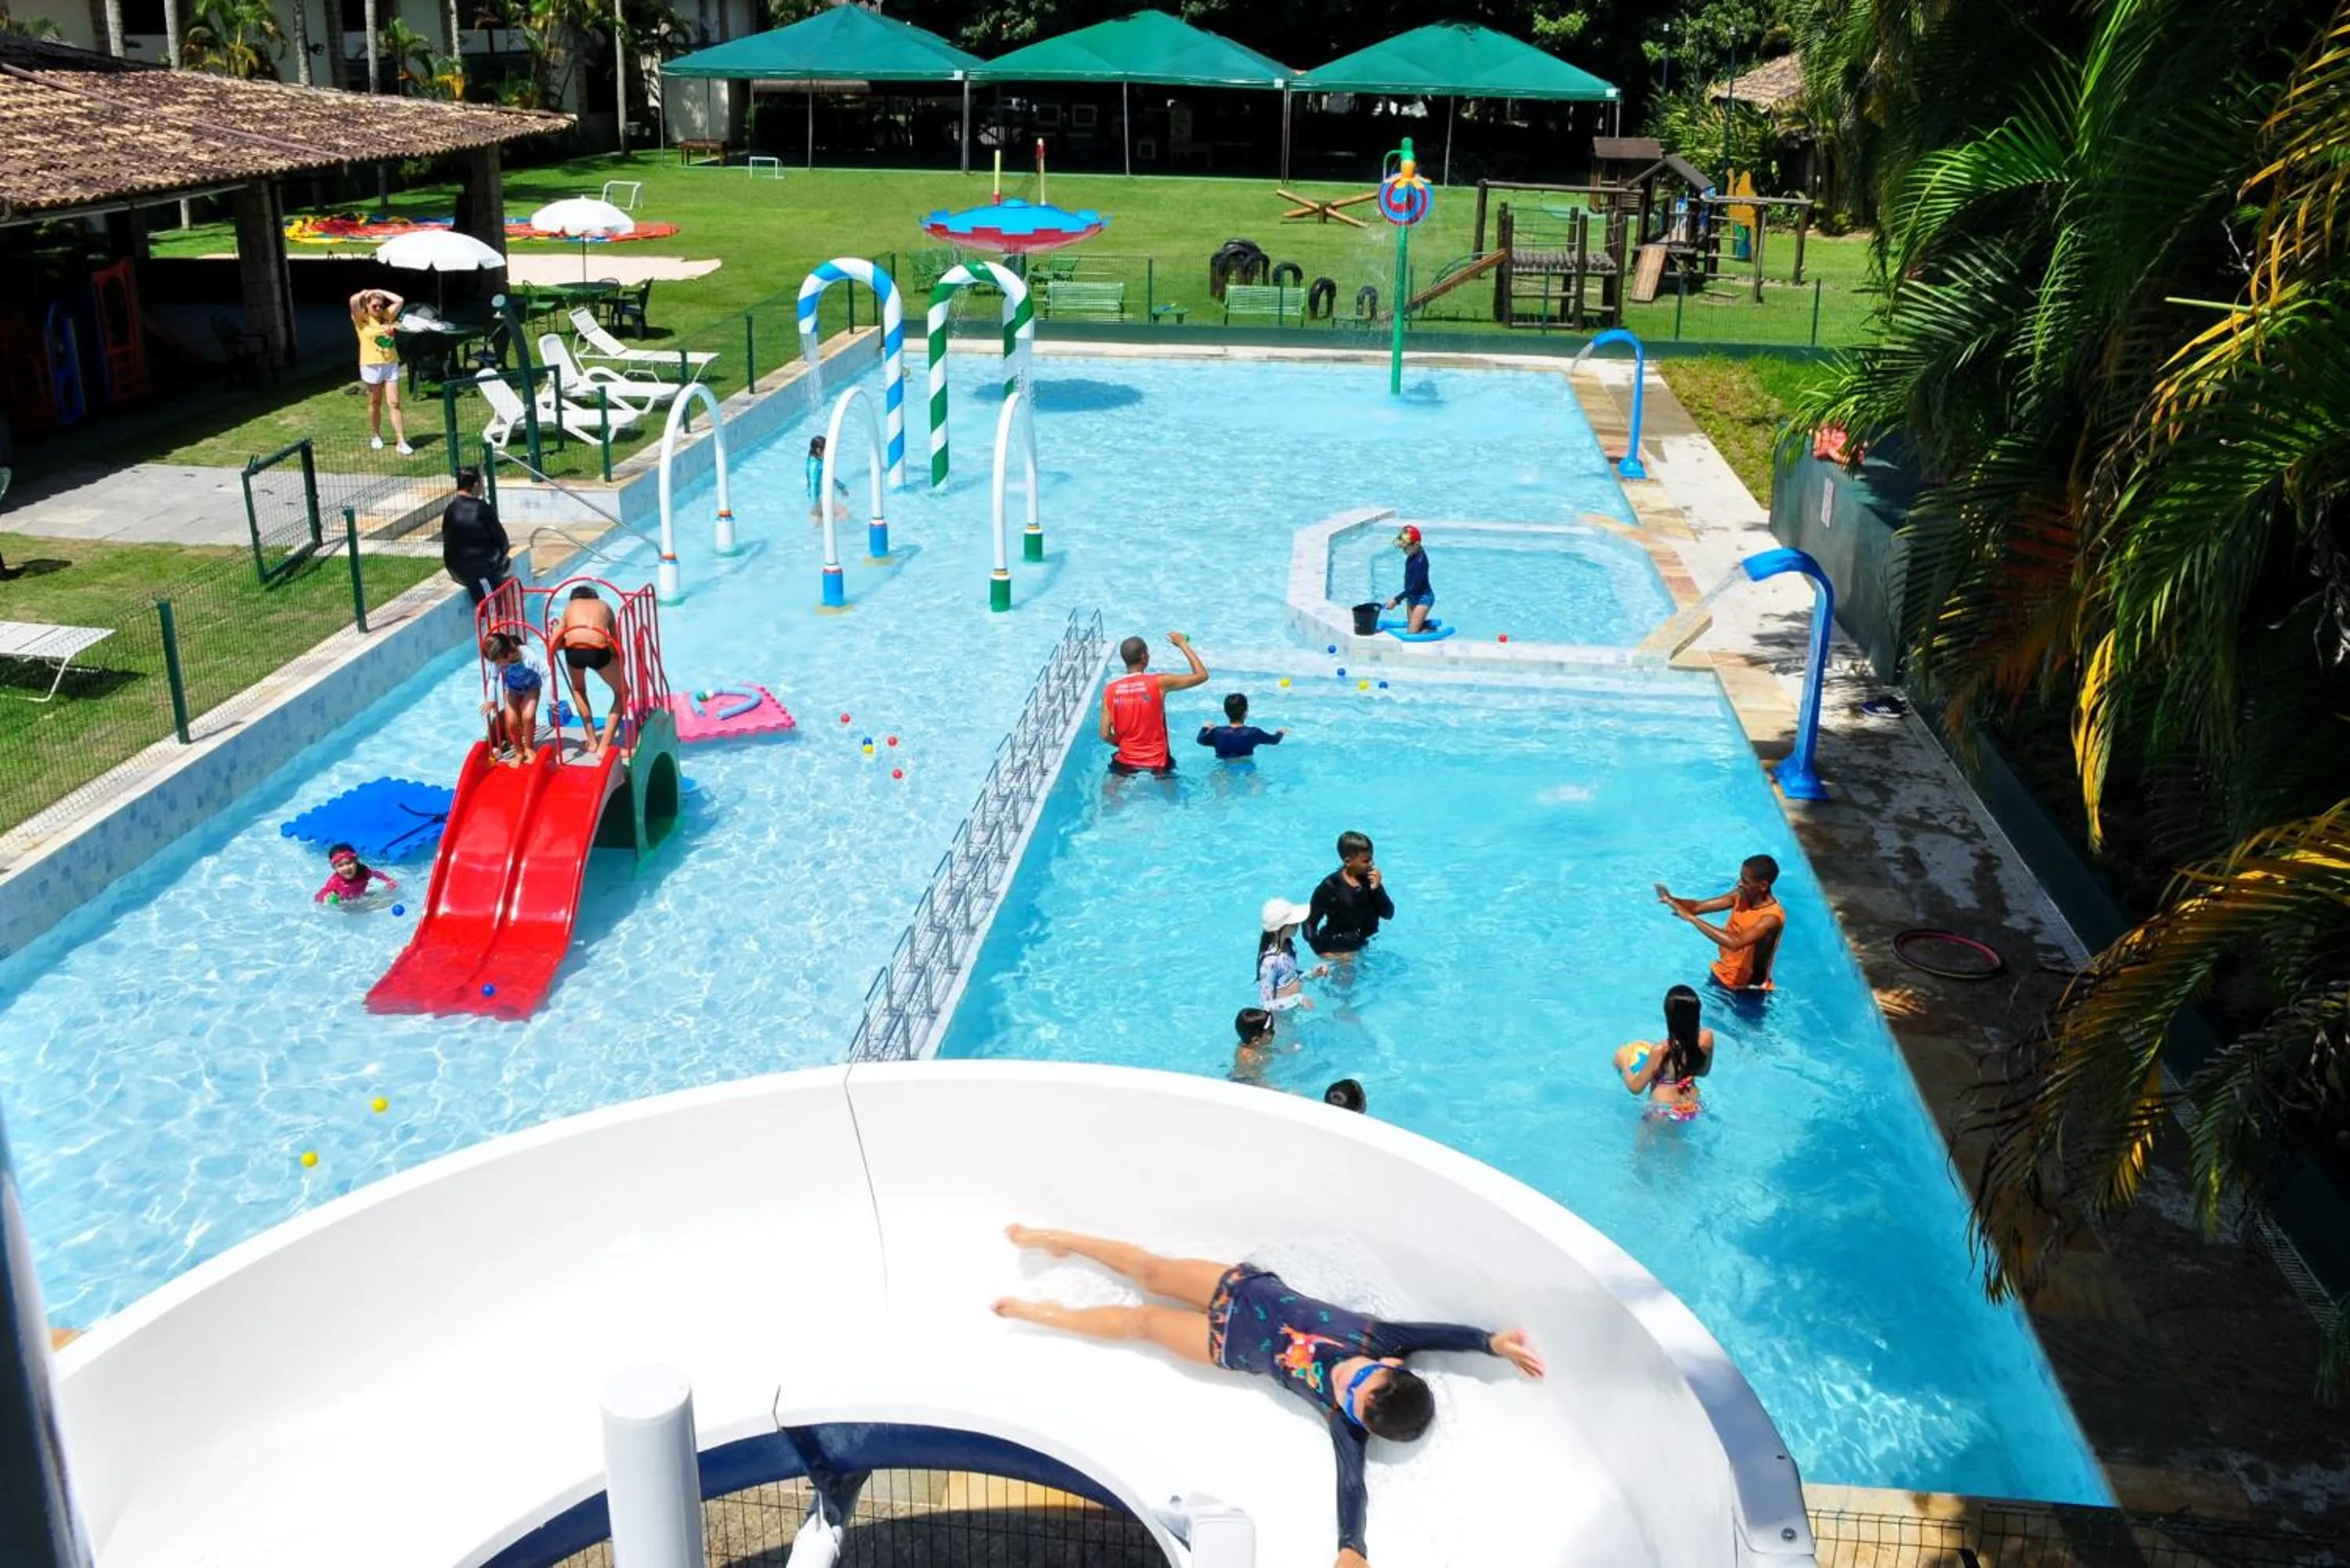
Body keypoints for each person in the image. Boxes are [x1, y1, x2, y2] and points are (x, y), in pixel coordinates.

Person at [993, 1225, 1546, 1568]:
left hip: (1224, 1345)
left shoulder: (1345, 1422)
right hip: (1242, 1288)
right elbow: (1443, 1333)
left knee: (1141, 1321)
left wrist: (1353, 1546)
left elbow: (1352, 1486)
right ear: (1389, 1364)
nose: (1341, 1387)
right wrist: (1493, 1343)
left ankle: (1048, 1315)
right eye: (1358, 1380)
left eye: (1350, 1400)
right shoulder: (1384, 1337)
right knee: (1152, 1270)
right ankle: (1064, 1240)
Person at [1658, 854, 1785, 993]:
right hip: (1722, 973)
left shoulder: (1770, 918)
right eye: (1740, 877)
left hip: (1748, 990)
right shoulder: (1741, 895)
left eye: (1745, 881)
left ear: (1763, 885)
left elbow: (1735, 943)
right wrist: (1672, 900)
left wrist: (1692, 919)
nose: (1739, 883)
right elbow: (1698, 907)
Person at [1101, 631, 1209, 778]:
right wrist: (1182, 643)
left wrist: (1128, 747)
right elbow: (1202, 675)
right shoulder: (1158, 683)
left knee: (1111, 796)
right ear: (1144, 657)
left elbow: (1105, 734)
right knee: (1172, 797)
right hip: (1158, 762)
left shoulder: (1110, 690)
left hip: (1124, 760)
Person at [551, 585, 631, 757]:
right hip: (597, 653)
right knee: (623, 692)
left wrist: (564, 644)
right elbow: (617, 645)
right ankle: (604, 748)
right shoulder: (605, 606)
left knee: (578, 689)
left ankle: (592, 741)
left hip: (573, 653)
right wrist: (618, 664)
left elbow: (552, 644)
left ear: (574, 599)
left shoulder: (569, 608)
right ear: (594, 597)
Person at [1614, 985, 1715, 1122]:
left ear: (1669, 1017)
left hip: (1662, 1109)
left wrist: (1623, 1060)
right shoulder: (1707, 1038)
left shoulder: (1660, 1050)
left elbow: (1636, 1088)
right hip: (1691, 1104)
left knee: (1643, 1143)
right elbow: (1703, 1072)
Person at [1305, 832, 1395, 959]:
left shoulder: (1370, 880)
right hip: (1341, 947)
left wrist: (1377, 888)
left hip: (1367, 941)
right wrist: (1321, 951)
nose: (1372, 864)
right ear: (1348, 861)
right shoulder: (1330, 887)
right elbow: (1310, 923)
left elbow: (1388, 914)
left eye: (1372, 858)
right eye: (1366, 861)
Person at [348, 288, 413, 456]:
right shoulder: (362, 319)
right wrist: (364, 294)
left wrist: (379, 291)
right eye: (375, 306)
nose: (378, 309)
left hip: (390, 364)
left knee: (395, 403)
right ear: (367, 306)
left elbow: (400, 299)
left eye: (380, 306)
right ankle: (376, 435)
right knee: (375, 402)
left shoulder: (386, 315)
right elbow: (353, 301)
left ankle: (401, 440)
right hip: (371, 366)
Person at [439, 467, 510, 606]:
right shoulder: (481, 508)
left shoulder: (450, 509)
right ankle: (496, 623)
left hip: (455, 570)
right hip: (479, 573)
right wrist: (502, 558)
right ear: (476, 485)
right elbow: (503, 542)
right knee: (493, 610)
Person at [479, 631, 541, 764]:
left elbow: (545, 672)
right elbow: (493, 678)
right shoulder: (498, 659)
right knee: (511, 722)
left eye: (498, 662)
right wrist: (491, 699)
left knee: (528, 717)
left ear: (506, 654)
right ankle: (519, 751)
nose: (497, 665)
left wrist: (551, 699)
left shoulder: (528, 656)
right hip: (512, 688)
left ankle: (529, 748)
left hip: (531, 686)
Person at [1258, 896, 1326, 1013]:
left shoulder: (1288, 946)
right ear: (1278, 929)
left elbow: (1290, 978)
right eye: (1293, 923)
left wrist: (1312, 973)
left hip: (1290, 1011)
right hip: (1280, 1018)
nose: (1298, 924)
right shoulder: (1270, 963)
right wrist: (1297, 999)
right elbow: (1265, 1004)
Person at [1197, 692, 1285, 761]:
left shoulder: (1216, 732)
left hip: (1223, 765)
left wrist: (1204, 728)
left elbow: (1200, 740)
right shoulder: (1254, 733)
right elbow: (1274, 741)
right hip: (1247, 765)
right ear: (1245, 713)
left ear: (1225, 712)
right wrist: (1280, 732)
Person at [1383, 524, 1434, 634]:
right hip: (1411, 597)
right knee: (1412, 629)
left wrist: (1396, 600)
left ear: (1417, 544)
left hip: (1423, 598)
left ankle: (1431, 630)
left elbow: (1414, 587)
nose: (1403, 549)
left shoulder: (1421, 562)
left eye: (1405, 547)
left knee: (1411, 633)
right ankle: (1423, 625)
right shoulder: (1412, 554)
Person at [314, 843, 399, 905]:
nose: (346, 868)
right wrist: (327, 896)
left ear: (356, 861)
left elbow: (376, 874)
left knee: (390, 899)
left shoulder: (363, 872)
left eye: (349, 863)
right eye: (340, 866)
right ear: (334, 868)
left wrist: (388, 880)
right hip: (346, 905)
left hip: (361, 897)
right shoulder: (335, 881)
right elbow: (319, 897)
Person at [1231, 1006, 1279, 1085]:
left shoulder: (1250, 1044)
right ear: (1256, 1040)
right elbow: (1257, 1080)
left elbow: (1266, 1049)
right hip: (1244, 1083)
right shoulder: (1249, 1058)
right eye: (1271, 1032)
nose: (1274, 1033)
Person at [805, 435, 849, 523]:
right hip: (819, 501)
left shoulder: (815, 460)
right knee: (845, 514)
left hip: (819, 499)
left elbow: (828, 477)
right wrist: (816, 506)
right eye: (827, 450)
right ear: (819, 451)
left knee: (818, 527)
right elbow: (814, 485)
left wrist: (841, 487)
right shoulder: (815, 466)